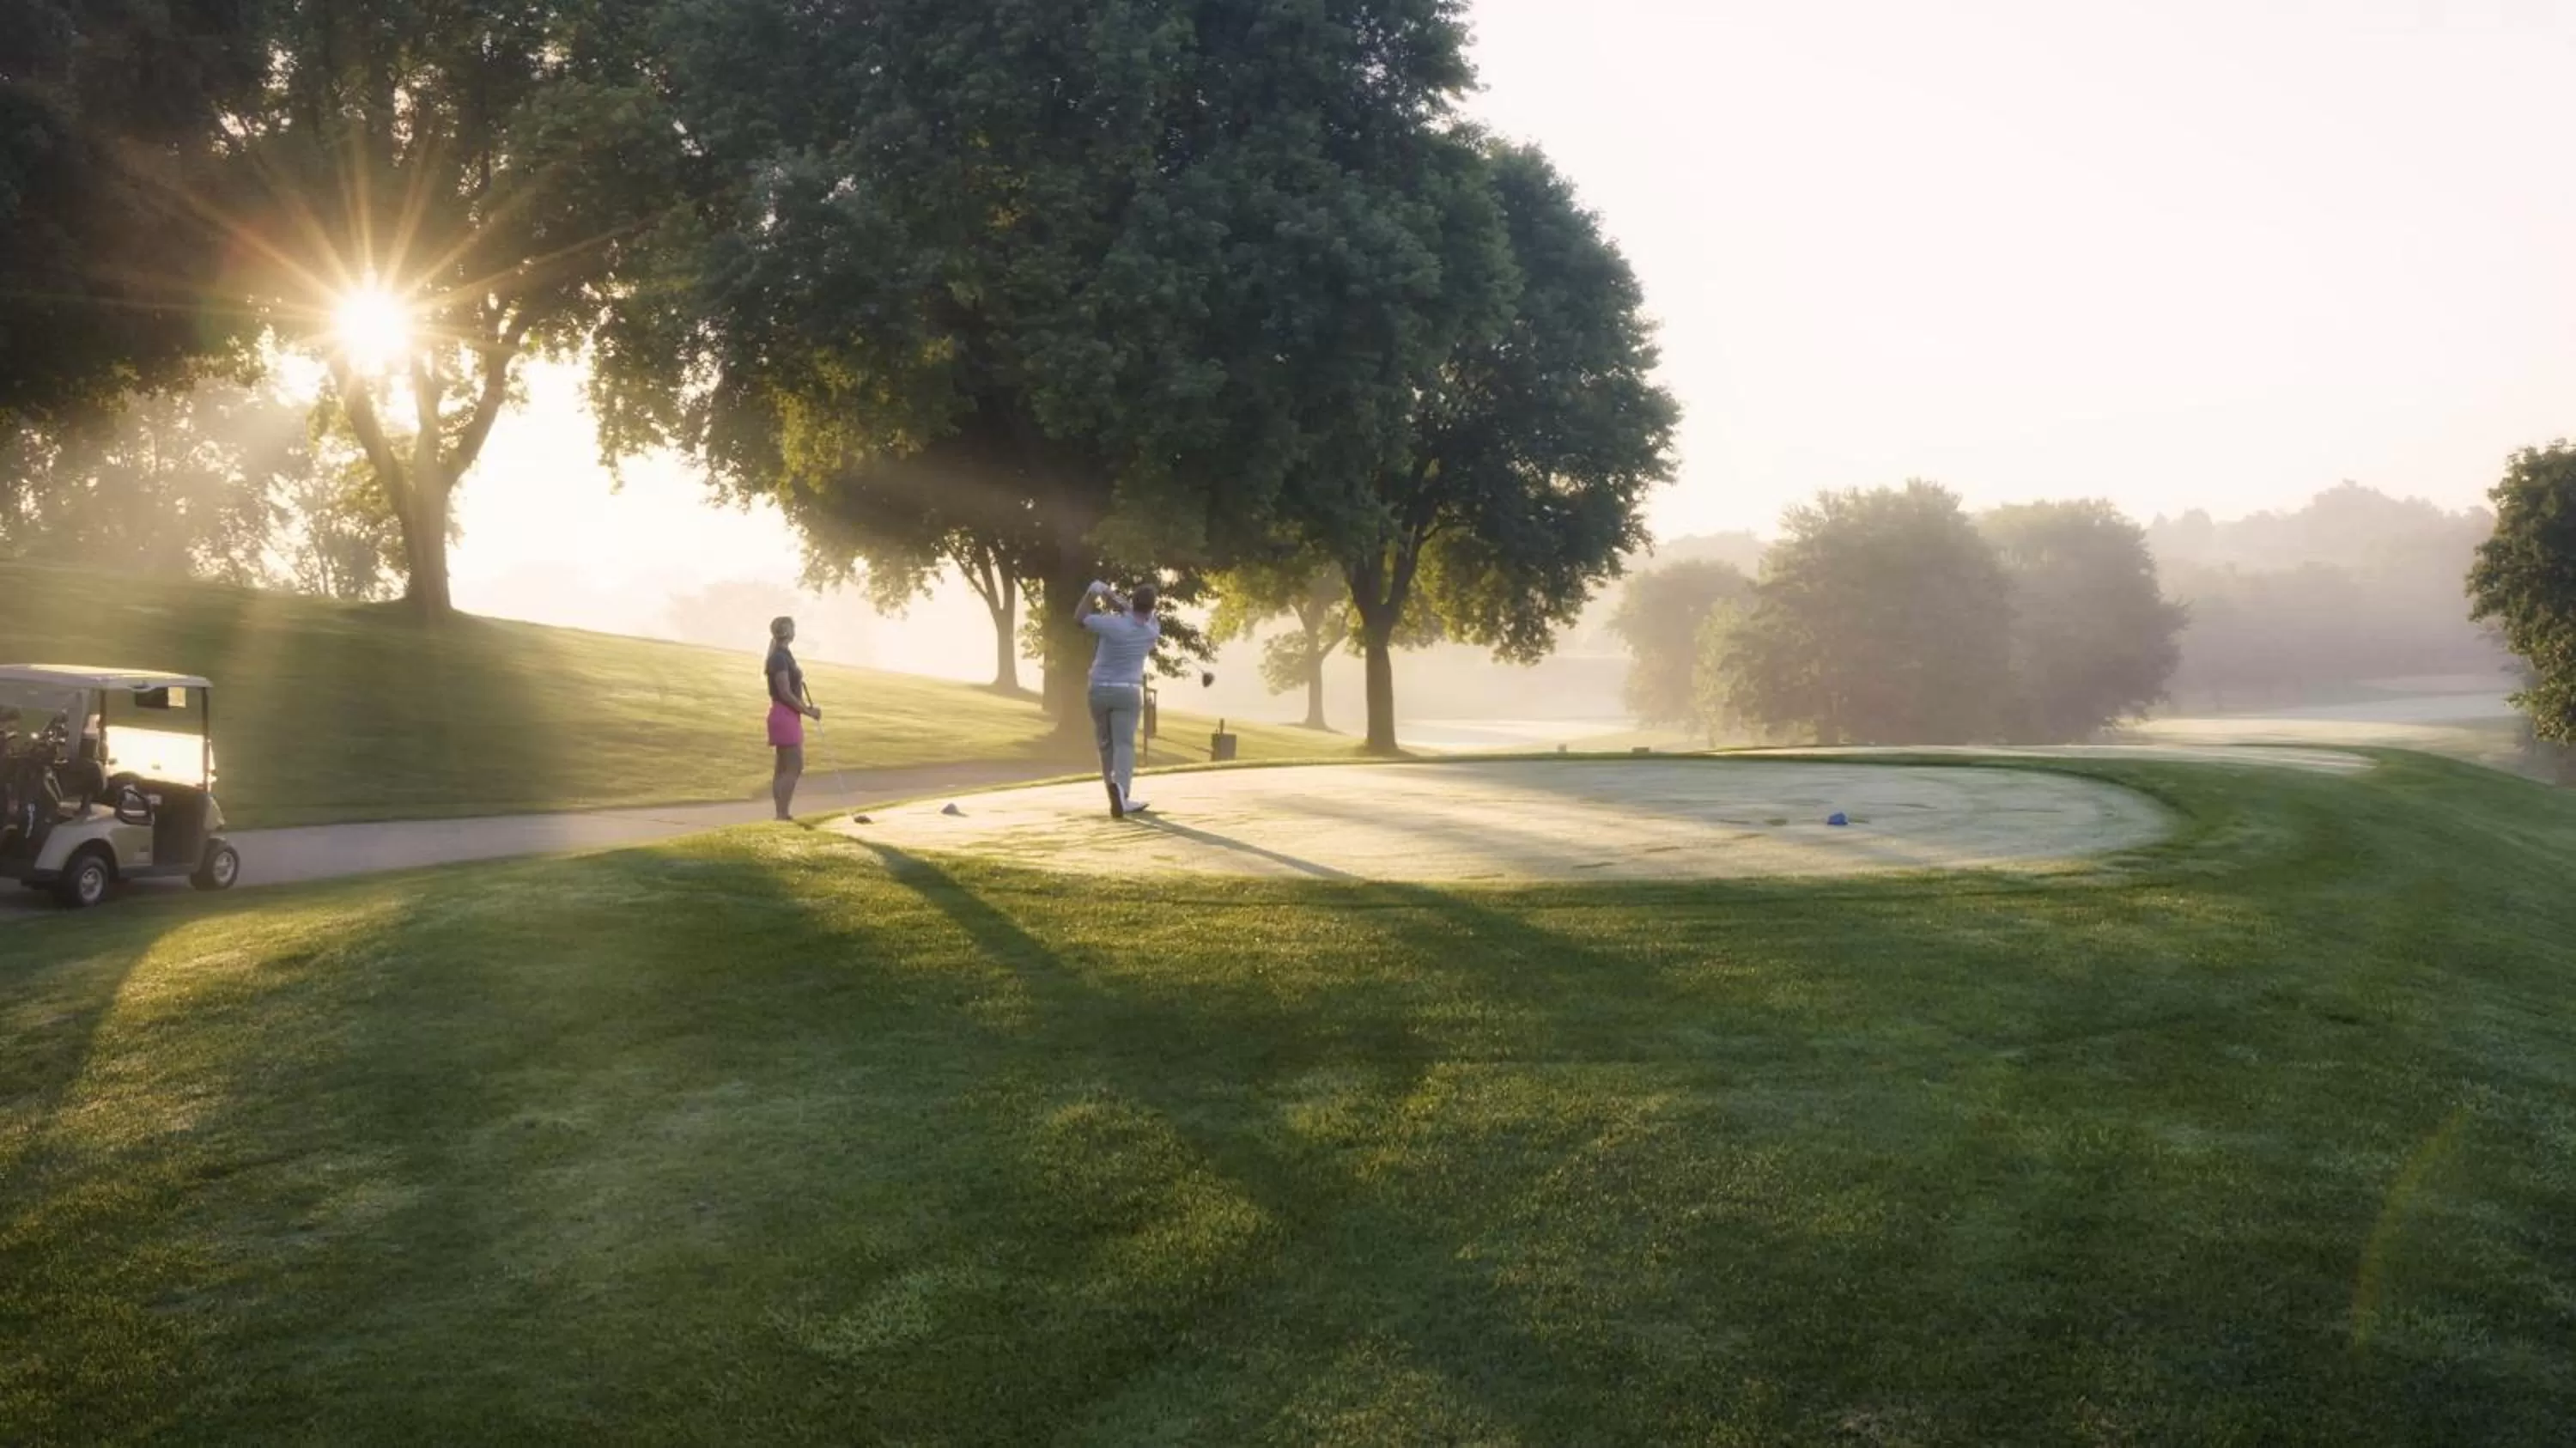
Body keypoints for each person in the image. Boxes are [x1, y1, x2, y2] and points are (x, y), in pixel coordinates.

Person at [1078, 579, 1160, 818]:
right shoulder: (1153, 629)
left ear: (1133, 601)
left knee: (1106, 746)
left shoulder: (1111, 624)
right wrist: (1114, 598)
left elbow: (1079, 618)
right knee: (1124, 744)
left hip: (1099, 690)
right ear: (1152, 607)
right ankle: (1122, 794)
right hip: (1127, 692)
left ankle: (1113, 795)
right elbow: (1129, 609)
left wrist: (1092, 593)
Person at [764, 616, 821, 820]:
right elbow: (786, 692)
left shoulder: (782, 655)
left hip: (784, 714)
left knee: (783, 767)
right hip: (785, 714)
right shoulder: (779, 658)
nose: (795, 631)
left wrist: (804, 710)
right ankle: (782, 814)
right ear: (787, 632)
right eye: (793, 628)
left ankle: (781, 813)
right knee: (794, 765)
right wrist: (808, 711)